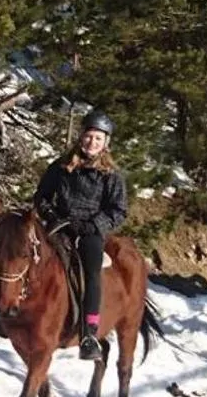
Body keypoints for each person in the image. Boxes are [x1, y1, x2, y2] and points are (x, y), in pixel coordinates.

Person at [28, 110, 131, 360]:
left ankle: (89, 333)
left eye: (98, 138)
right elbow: (41, 196)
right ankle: (4, 314)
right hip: (59, 226)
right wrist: (50, 213)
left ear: (105, 143)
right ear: (81, 136)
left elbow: (118, 210)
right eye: (88, 136)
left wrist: (94, 224)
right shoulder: (61, 166)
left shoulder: (111, 175)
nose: (92, 142)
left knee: (91, 271)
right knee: (27, 255)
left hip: (89, 231)